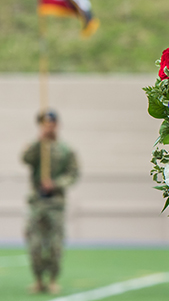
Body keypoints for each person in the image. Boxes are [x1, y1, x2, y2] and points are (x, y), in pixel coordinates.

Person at [22, 110, 79, 294]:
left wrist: (55, 184)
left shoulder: (65, 149)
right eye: (45, 124)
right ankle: (38, 280)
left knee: (55, 244)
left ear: (56, 125)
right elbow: (25, 159)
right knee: (35, 244)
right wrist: (39, 141)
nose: (49, 127)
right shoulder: (37, 146)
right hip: (37, 202)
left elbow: (73, 174)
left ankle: (53, 279)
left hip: (55, 203)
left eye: (51, 124)